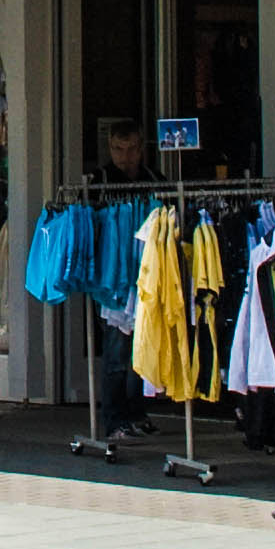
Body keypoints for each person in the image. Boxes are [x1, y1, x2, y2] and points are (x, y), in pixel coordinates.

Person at [89, 121, 156, 438]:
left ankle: (137, 412)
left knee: (142, 347)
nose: (124, 156)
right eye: (118, 149)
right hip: (113, 277)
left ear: (141, 149)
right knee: (116, 350)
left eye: (130, 149)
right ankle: (114, 418)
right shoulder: (100, 181)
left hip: (147, 271)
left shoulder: (154, 179)